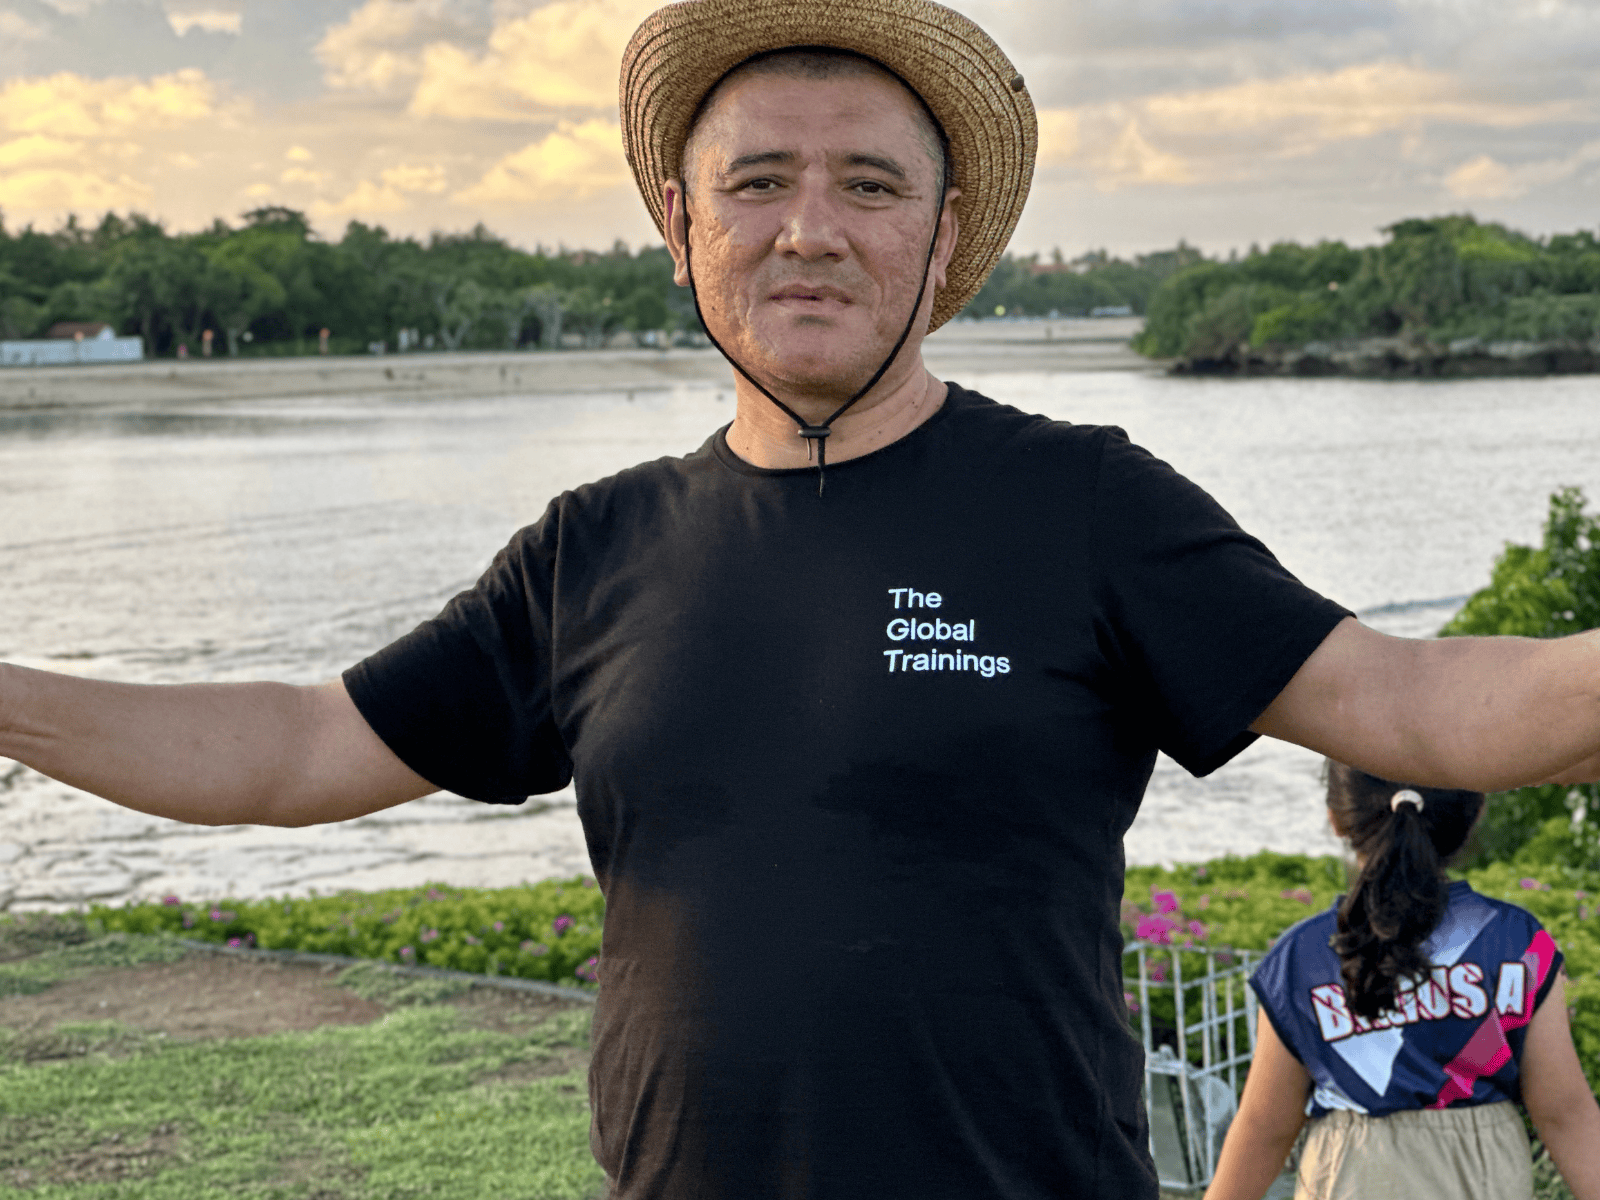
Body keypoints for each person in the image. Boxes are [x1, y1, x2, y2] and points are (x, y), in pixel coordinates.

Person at [2, 0, 1599, 1196]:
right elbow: (296, 748)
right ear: (681, 230)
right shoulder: (592, 551)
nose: (809, 229)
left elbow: (1415, 704)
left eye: (870, 186)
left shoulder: (1085, 505)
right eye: (756, 181)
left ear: (946, 237)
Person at [1205, 763, 1600, 1200]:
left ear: (1337, 818)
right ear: (1474, 812)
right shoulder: (1516, 942)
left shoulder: (1305, 955)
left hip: (1348, 1178)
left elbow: (1266, 1126)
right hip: (1481, 1179)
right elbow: (1563, 1112)